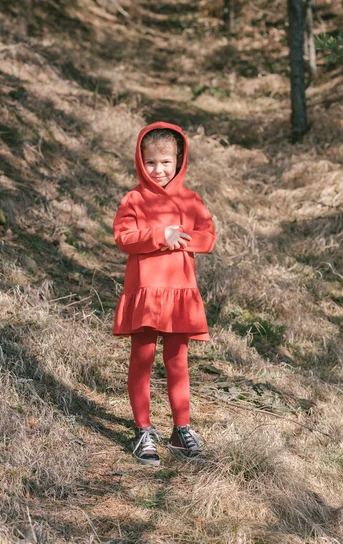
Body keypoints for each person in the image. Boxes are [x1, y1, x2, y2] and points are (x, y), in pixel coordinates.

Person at [112, 121, 216, 466]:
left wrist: (183, 235)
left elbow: (208, 236)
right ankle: (143, 430)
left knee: (178, 363)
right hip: (144, 292)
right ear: (141, 162)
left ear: (179, 161)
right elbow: (123, 237)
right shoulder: (134, 199)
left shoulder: (191, 199)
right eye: (151, 162)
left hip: (179, 295)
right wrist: (160, 234)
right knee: (141, 360)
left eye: (166, 162)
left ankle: (181, 428)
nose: (158, 170)